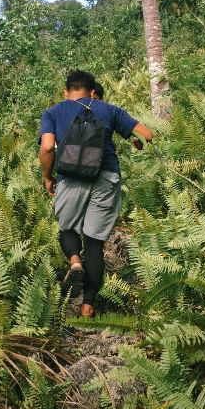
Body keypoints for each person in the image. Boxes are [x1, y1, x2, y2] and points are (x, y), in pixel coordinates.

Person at [38, 70, 153, 317]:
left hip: (71, 178)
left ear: (66, 91)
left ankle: (74, 262)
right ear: (93, 92)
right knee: (94, 243)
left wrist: (48, 177)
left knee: (67, 229)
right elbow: (147, 133)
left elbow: (48, 147)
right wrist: (137, 141)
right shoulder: (108, 109)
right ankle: (88, 307)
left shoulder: (54, 112)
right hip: (106, 178)